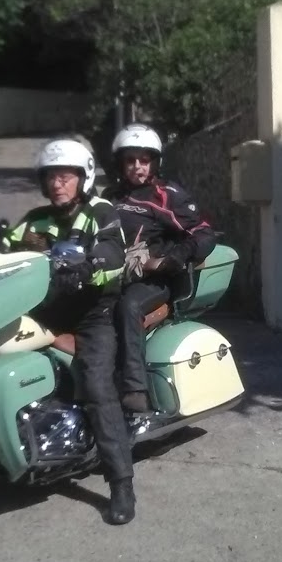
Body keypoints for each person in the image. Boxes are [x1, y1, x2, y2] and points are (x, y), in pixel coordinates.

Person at [1, 138, 138, 525]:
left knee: (96, 384)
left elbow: (113, 252)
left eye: (66, 176)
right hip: (46, 310)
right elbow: (3, 251)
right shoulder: (35, 220)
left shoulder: (100, 211)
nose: (58, 183)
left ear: (83, 178)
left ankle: (121, 484)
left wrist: (88, 266)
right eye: (51, 177)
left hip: (93, 313)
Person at [107, 123, 217, 413]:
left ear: (155, 162)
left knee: (128, 306)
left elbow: (204, 233)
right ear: (120, 163)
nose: (137, 166)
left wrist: (174, 257)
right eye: (130, 160)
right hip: (112, 276)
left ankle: (135, 389)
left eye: (144, 160)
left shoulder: (168, 195)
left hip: (154, 281)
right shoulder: (111, 196)